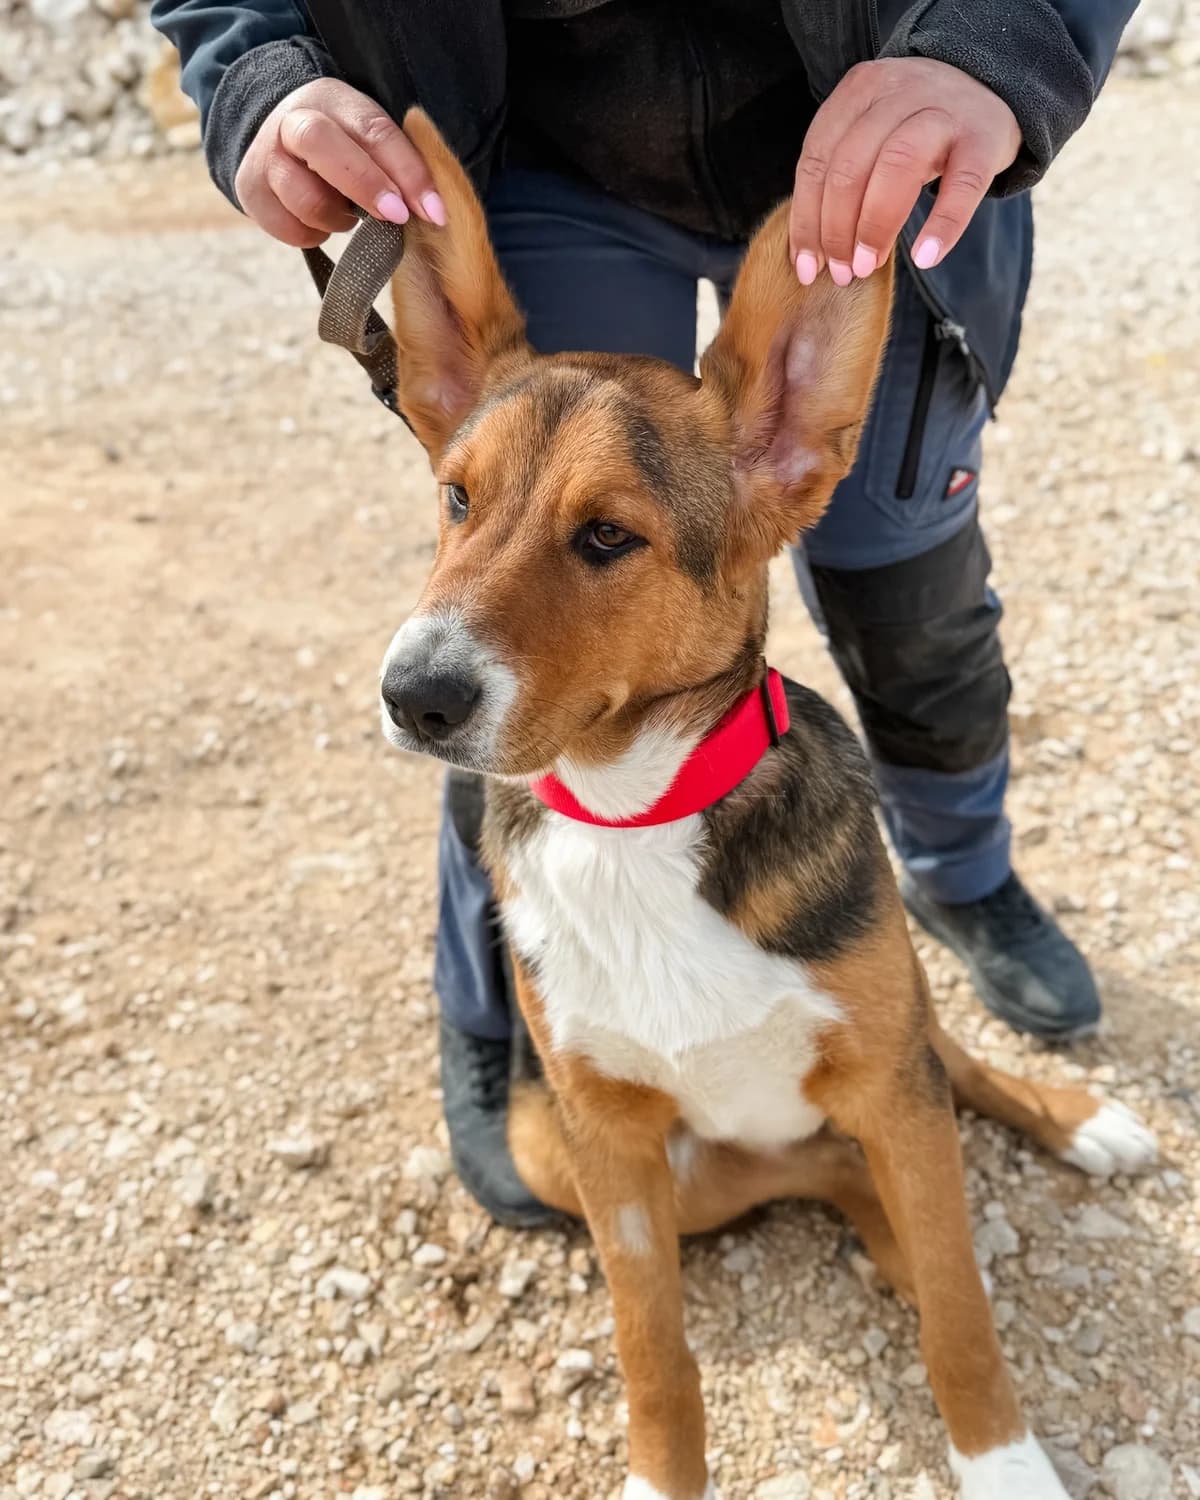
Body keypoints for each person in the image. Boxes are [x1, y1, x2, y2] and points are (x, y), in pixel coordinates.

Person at [152, 0, 1140, 1225]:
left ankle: (963, 875)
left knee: (909, 584)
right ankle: (513, 1003)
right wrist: (253, 69)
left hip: (890, 130)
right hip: (545, 141)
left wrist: (1006, 40)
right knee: (532, 647)